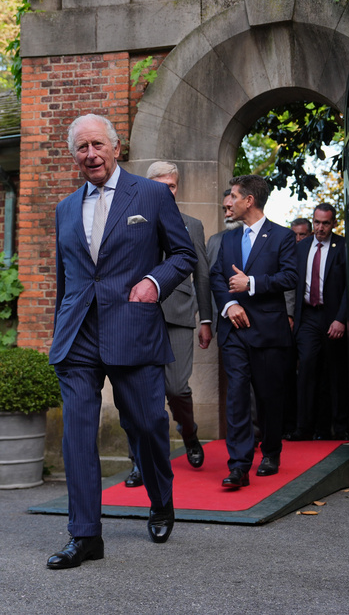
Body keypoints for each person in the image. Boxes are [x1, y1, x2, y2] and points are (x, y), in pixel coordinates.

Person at [47, 114, 197, 569]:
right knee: (75, 436)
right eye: (81, 147)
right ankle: (85, 534)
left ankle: (160, 500)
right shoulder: (65, 208)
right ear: (73, 154)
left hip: (133, 326)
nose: (90, 154)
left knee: (148, 424)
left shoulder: (150, 194)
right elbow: (66, 277)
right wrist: (59, 329)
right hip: (79, 336)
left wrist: (155, 280)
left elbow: (184, 254)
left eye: (97, 145)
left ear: (115, 148)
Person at [123, 161, 211, 487]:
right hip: (137, 316)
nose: (166, 191)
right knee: (138, 394)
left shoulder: (192, 224)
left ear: (177, 187)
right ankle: (138, 463)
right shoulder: (130, 219)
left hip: (179, 313)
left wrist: (205, 318)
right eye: (160, 185)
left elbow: (201, 273)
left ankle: (189, 433)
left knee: (175, 388)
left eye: (172, 186)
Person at [210, 175, 298, 488]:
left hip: (268, 331)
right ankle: (239, 466)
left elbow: (290, 277)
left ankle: (271, 451)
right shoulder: (228, 239)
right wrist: (229, 306)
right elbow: (217, 278)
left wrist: (253, 284)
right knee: (236, 397)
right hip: (234, 331)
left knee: (268, 396)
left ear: (249, 200)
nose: (226, 203)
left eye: (232, 197)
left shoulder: (282, 236)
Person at [287, 203, 349, 441]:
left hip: (332, 316)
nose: (320, 228)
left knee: (333, 372)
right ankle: (304, 427)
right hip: (308, 316)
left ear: (333, 223)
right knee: (307, 369)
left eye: (325, 223)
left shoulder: (342, 246)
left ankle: (335, 428)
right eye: (317, 222)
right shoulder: (301, 248)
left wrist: (340, 319)